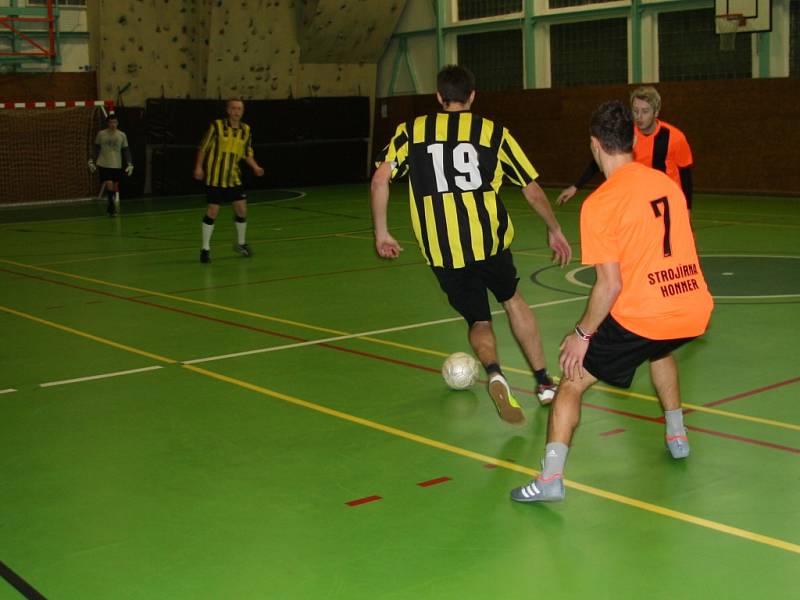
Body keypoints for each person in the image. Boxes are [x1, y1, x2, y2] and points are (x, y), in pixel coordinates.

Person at [510, 100, 713, 503]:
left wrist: (582, 334)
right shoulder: (665, 184)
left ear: (595, 145)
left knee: (571, 379)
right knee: (660, 349)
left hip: (646, 314)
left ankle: (550, 480)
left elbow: (609, 285)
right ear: (632, 141)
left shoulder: (601, 203)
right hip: (692, 307)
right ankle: (677, 434)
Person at [370, 65, 572, 425]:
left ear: (438, 97)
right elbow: (531, 188)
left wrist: (382, 232)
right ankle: (543, 382)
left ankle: (494, 371)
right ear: (473, 96)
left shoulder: (412, 131)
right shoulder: (492, 133)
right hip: (489, 241)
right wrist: (554, 228)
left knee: (478, 318)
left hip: (443, 251)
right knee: (513, 301)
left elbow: (380, 178)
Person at [556, 86, 694, 210]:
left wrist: (687, 209)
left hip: (669, 201)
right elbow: (599, 161)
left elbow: (686, 177)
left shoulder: (675, 138)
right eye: (635, 111)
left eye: (645, 111)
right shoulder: (626, 134)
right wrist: (576, 186)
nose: (639, 117)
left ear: (656, 112)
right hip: (640, 201)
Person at [193, 98, 264, 264]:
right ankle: (205, 249)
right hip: (215, 177)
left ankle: (240, 243)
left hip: (234, 177)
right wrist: (198, 167)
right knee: (213, 211)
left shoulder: (246, 130)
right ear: (228, 110)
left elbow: (247, 152)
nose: (237, 111)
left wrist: (255, 166)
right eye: (233, 108)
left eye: (239, 108)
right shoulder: (216, 126)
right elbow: (203, 147)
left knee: (241, 210)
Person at [88, 112, 133, 216]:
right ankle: (111, 206)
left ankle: (110, 205)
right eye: (111, 122)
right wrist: (91, 160)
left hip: (117, 163)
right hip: (104, 163)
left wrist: (130, 163)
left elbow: (126, 150)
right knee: (109, 183)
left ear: (117, 123)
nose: (113, 124)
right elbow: (96, 147)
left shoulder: (122, 135)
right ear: (107, 123)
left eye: (115, 122)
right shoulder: (101, 134)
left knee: (114, 185)